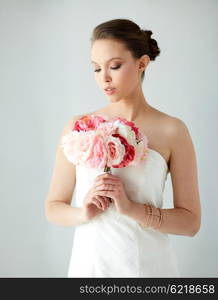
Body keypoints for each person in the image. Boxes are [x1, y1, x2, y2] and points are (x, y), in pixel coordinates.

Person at [45, 18, 201, 277]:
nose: (104, 78)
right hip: (89, 269)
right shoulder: (78, 127)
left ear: (142, 63)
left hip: (149, 269)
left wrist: (131, 209)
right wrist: (84, 212)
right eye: (96, 69)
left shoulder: (172, 130)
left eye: (114, 66)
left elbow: (191, 223)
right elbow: (53, 207)